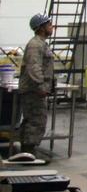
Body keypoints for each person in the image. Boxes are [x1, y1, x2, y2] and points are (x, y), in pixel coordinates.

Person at [17, 13, 56, 155]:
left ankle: (27, 150)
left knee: (33, 119)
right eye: (49, 25)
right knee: (36, 120)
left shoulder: (40, 43)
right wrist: (41, 86)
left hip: (35, 89)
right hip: (33, 90)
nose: (52, 27)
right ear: (41, 28)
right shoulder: (35, 44)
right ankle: (29, 151)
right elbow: (34, 67)